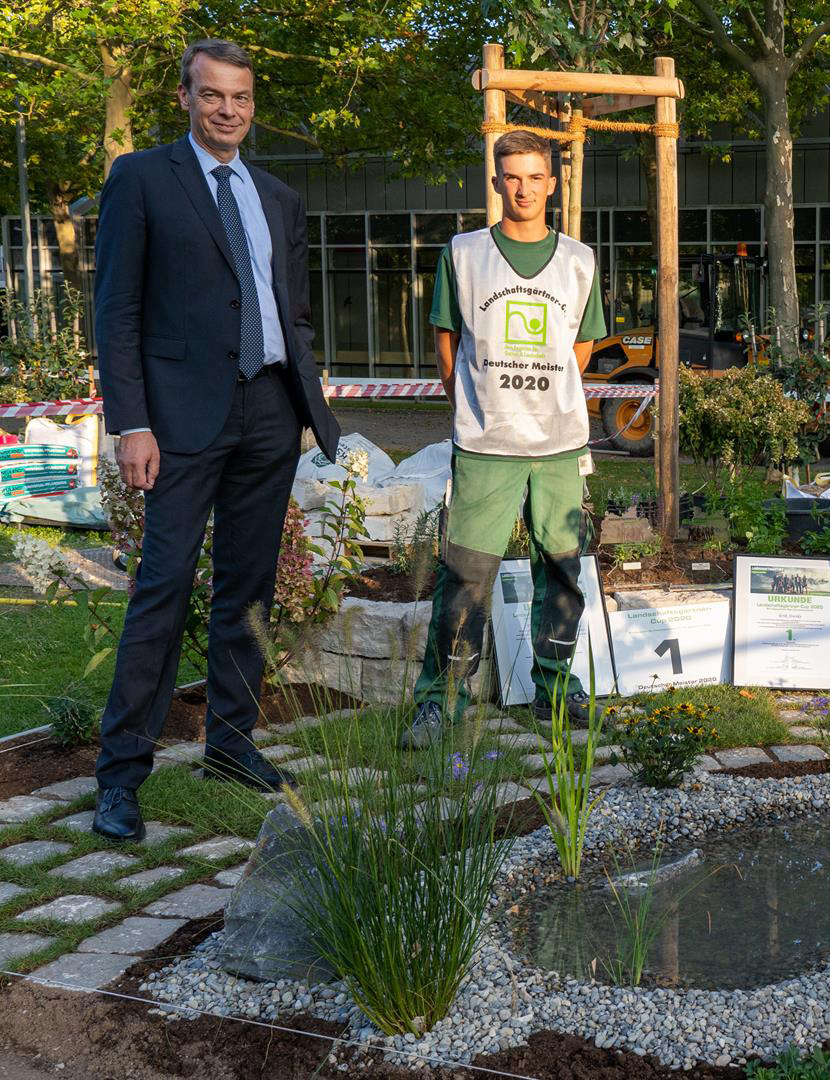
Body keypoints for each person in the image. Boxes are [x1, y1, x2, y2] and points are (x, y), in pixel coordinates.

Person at [90, 40, 340, 842]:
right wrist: (130, 421)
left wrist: (303, 394)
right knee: (160, 589)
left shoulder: (278, 197)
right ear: (185, 97)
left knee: (250, 591)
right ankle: (121, 772)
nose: (227, 109)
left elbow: (289, 311)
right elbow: (116, 309)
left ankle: (231, 746)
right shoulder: (140, 180)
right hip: (178, 421)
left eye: (240, 97)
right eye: (213, 95)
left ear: (252, 103)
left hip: (268, 412)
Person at [397, 129, 608, 749]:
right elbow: (448, 341)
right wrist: (475, 402)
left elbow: (582, 347)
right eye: (511, 177)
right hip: (487, 442)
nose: (523, 189)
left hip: (558, 442)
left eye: (535, 177)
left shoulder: (578, 259)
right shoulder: (463, 254)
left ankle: (556, 692)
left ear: (552, 184)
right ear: (496, 182)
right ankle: (440, 703)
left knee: (564, 571)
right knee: (465, 573)